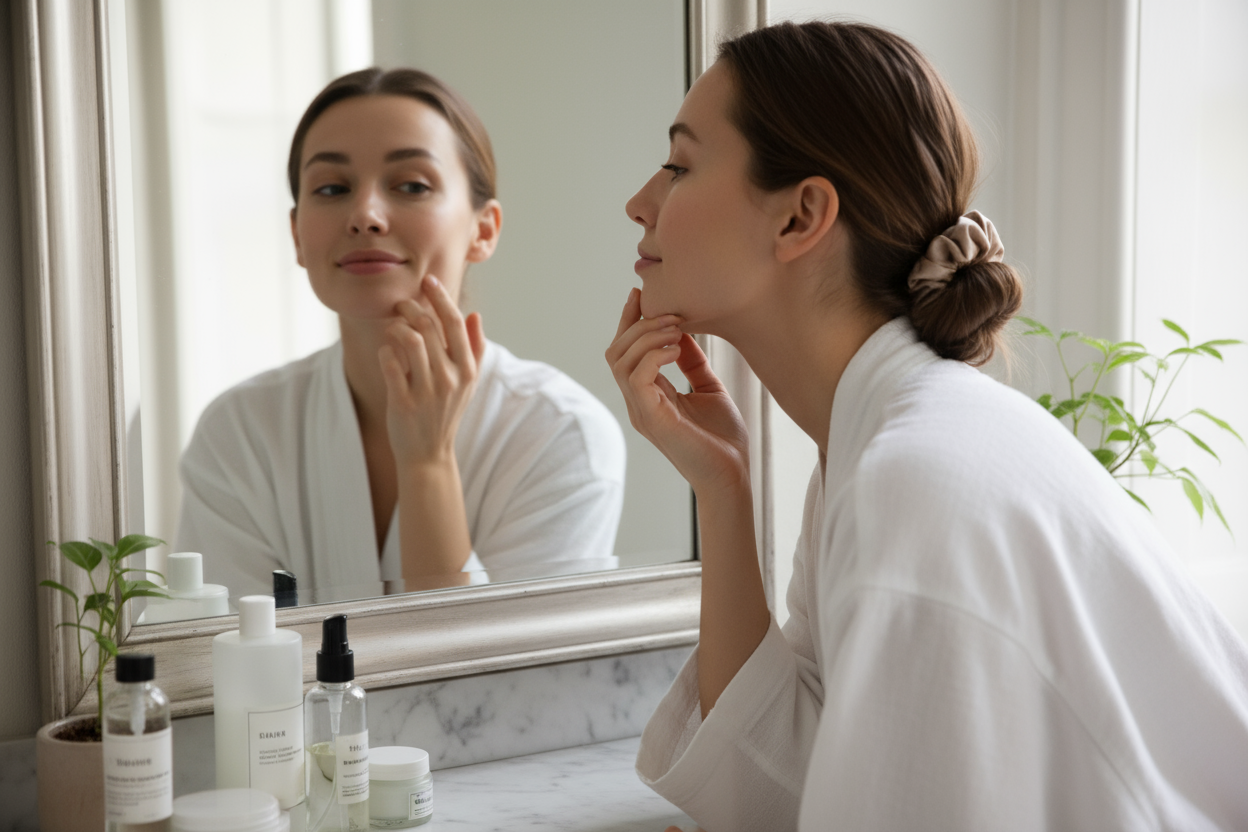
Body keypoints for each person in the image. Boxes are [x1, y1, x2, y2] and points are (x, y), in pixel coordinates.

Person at [607, 20, 1248, 832]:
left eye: (679, 165)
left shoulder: (916, 481)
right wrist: (723, 485)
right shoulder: (878, 451)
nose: (640, 202)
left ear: (800, 216)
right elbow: (781, 788)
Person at [176, 68, 625, 601]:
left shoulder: (559, 434)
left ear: (483, 230)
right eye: (332, 188)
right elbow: (227, 668)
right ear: (297, 235)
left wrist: (428, 463)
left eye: (412, 185)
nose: (365, 215)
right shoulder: (239, 435)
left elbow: (504, 680)